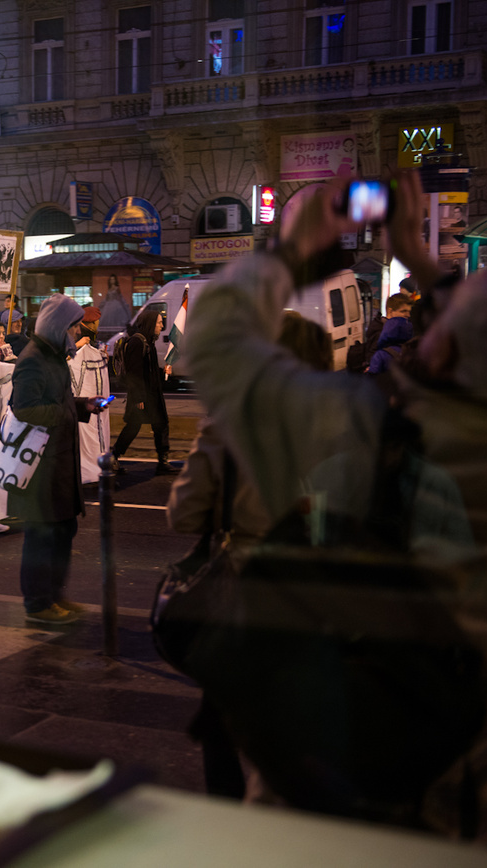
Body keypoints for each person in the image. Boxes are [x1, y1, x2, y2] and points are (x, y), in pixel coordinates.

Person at [187, 168, 487, 857]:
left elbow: (216, 343)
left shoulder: (357, 436)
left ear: (444, 346)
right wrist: (428, 268)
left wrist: (295, 248)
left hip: (340, 817)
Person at [166, 311, 332, 799]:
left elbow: (183, 515)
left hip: (244, 597)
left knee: (223, 725)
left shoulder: (230, 425)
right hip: (324, 599)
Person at [7, 295, 103, 624]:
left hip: (59, 461)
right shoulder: (32, 358)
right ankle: (37, 602)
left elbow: (57, 400)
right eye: (74, 326)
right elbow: (23, 408)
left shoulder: (55, 356)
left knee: (64, 528)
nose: (78, 331)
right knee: (42, 533)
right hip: (40, 466)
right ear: (59, 326)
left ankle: (55, 595)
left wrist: (83, 405)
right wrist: (64, 412)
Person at [112, 307, 175, 474]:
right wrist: (139, 397)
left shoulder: (148, 342)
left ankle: (163, 462)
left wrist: (163, 373)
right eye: (159, 323)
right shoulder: (137, 342)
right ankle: (113, 457)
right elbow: (135, 373)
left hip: (152, 395)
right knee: (133, 426)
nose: (162, 326)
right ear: (150, 324)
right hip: (142, 395)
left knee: (161, 425)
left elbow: (150, 371)